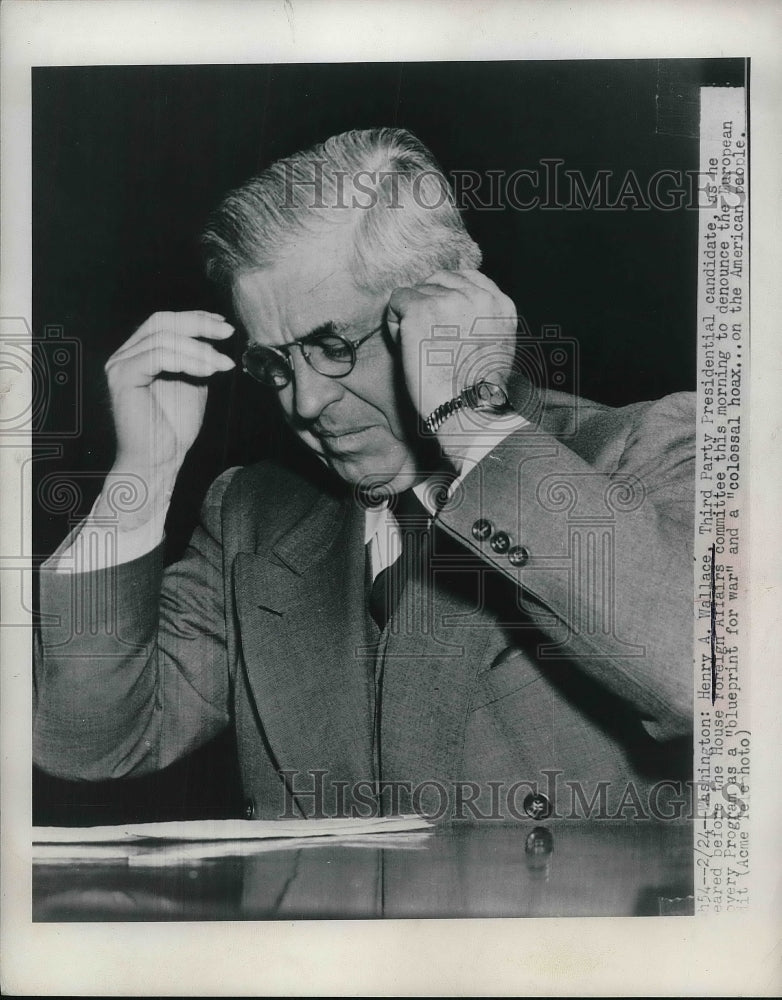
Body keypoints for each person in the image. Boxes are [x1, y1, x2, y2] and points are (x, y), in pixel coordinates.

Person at [33, 128, 695, 822]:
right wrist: (144, 471)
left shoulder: (643, 449)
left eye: (333, 345)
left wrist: (468, 418)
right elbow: (92, 742)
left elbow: (699, 679)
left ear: (450, 310)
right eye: (277, 365)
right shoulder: (252, 519)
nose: (306, 403)